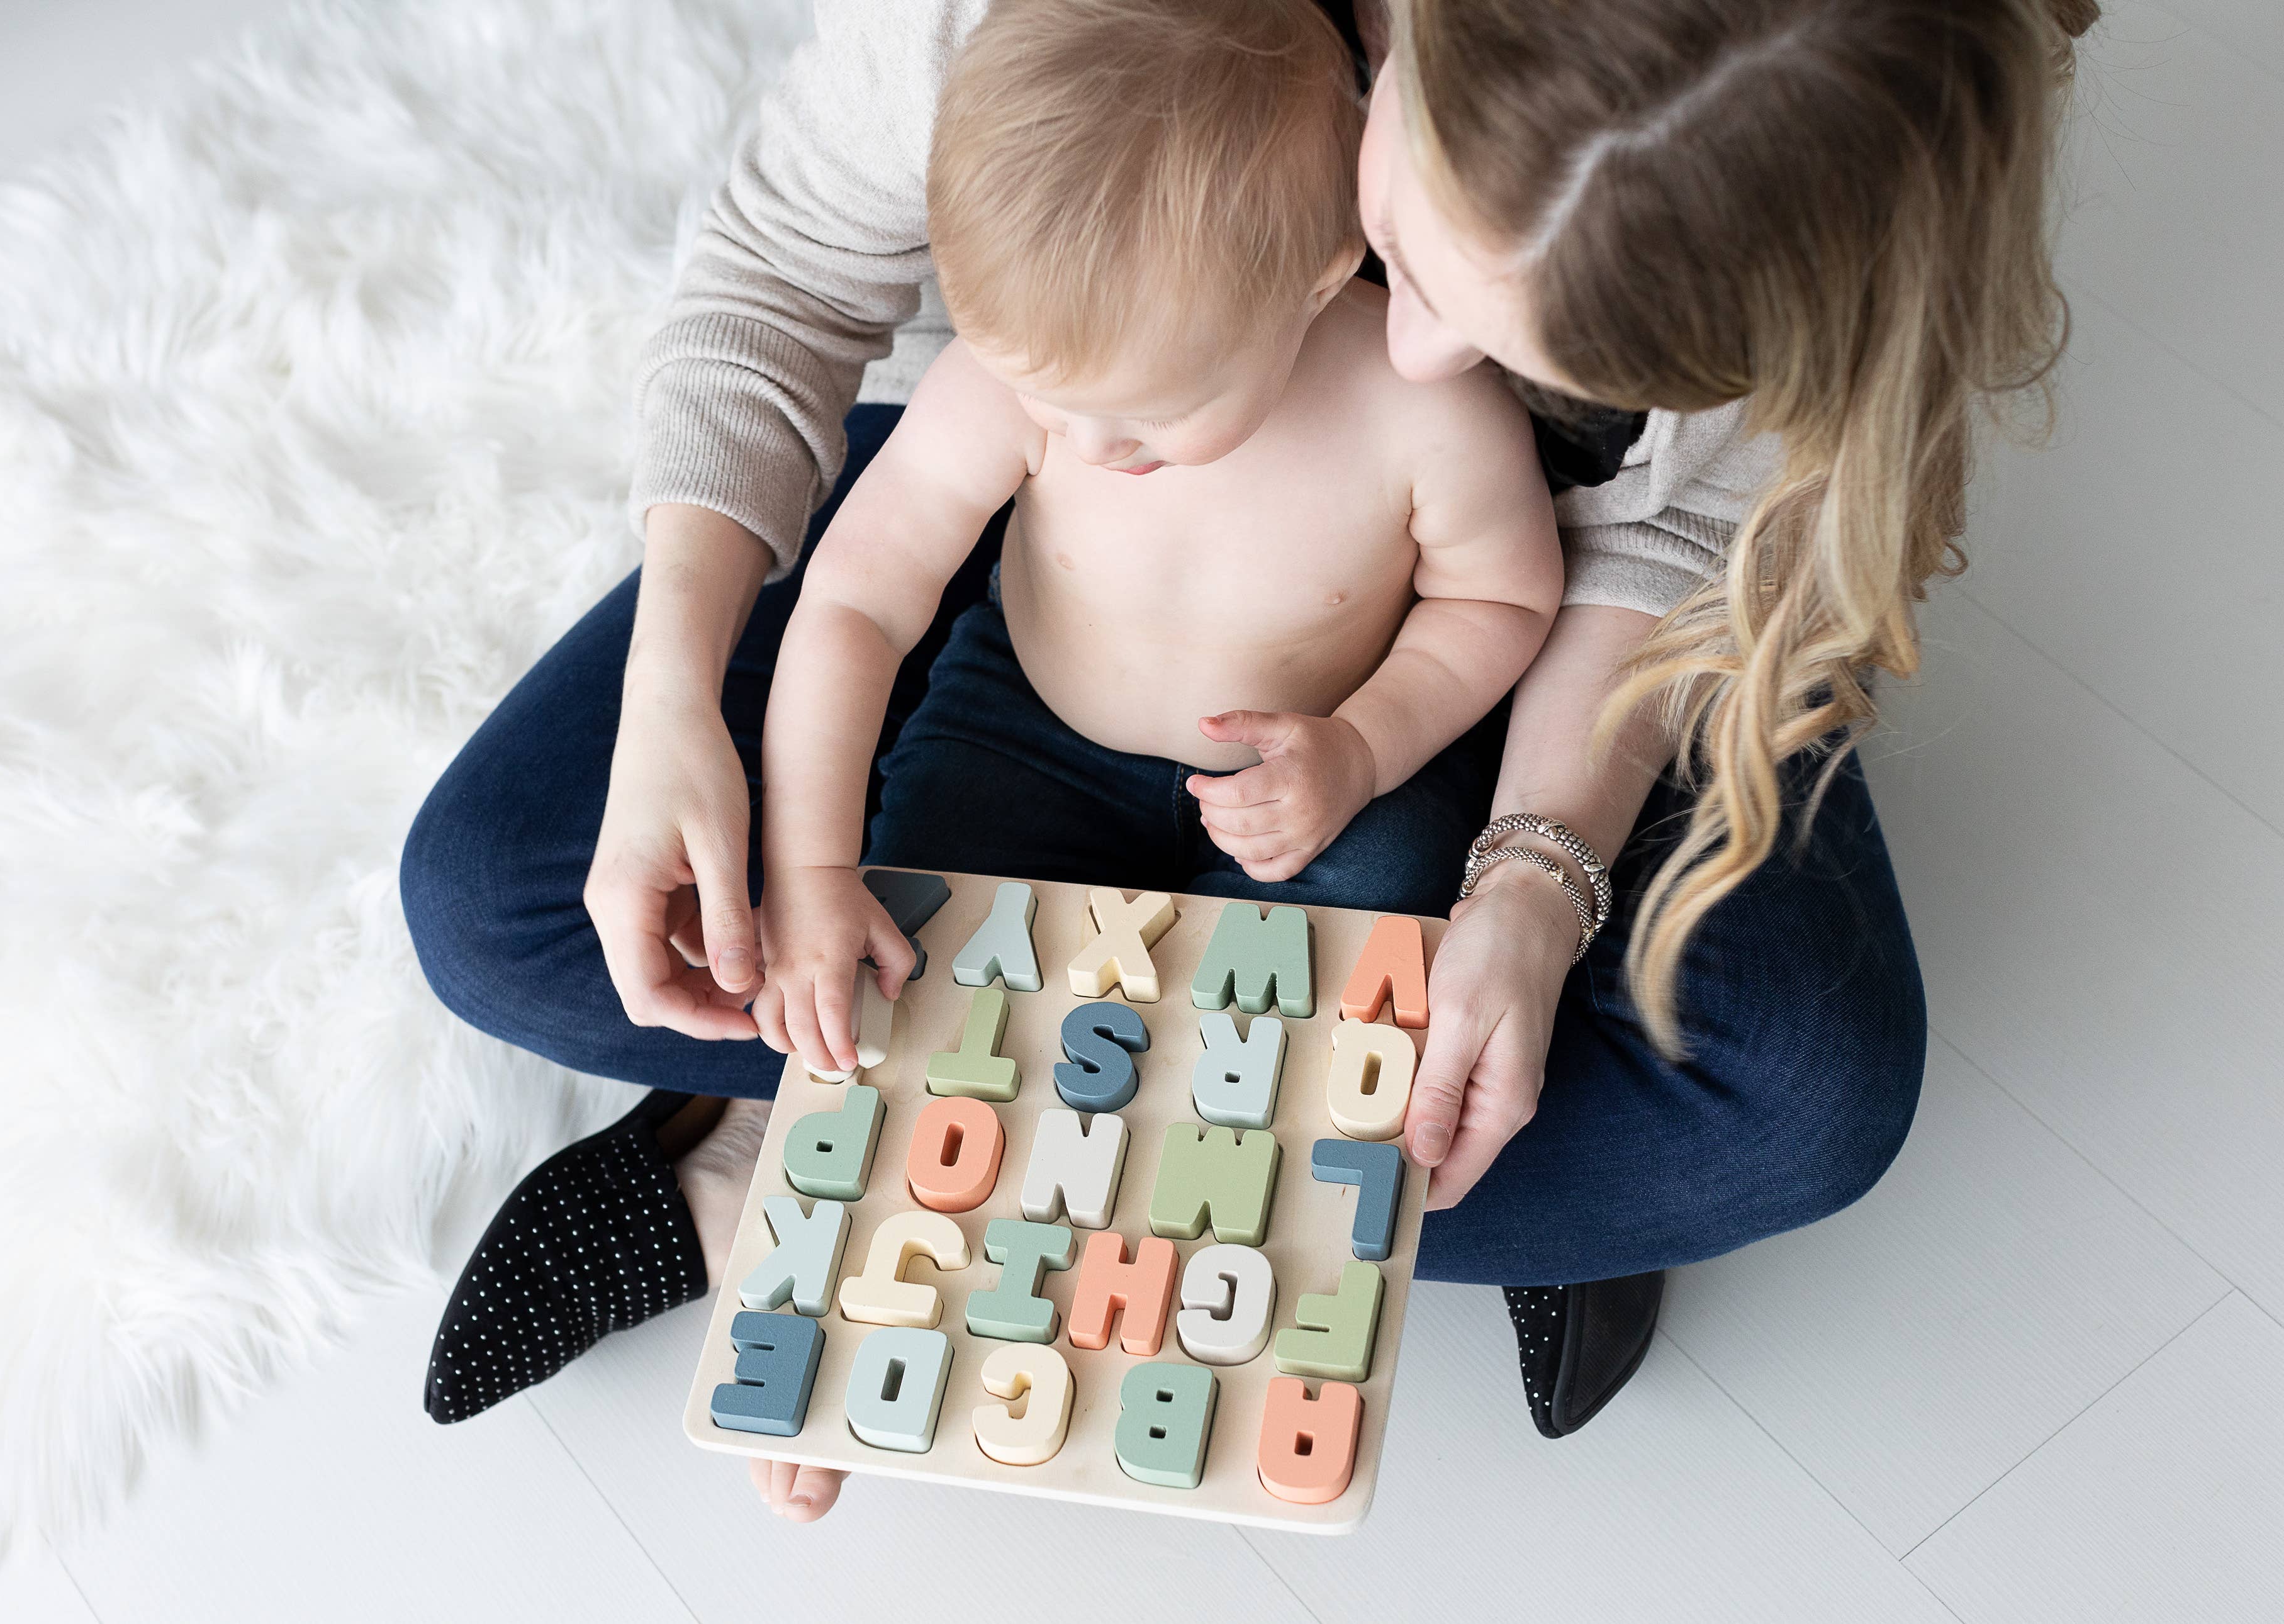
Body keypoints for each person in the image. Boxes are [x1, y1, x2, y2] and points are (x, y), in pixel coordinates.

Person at [398, 0, 2098, 1524]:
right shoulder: (1044, 292)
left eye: (1530, 351)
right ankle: (861, 1179)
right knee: (505, 899)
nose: (1427, 356)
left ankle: (930, 1177)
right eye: (1415, 254)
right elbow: (809, 371)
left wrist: (1530, 872)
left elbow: (1593, 563)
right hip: (1049, 559)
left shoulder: (1512, 366)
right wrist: (683, 712)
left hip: (1414, 697)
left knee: (1785, 1091)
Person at [757, 0, 1559, 1080]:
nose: (1087, 443)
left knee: (1385, 937)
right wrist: (810, 867)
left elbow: (1501, 602)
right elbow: (857, 599)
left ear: (1320, 280)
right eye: (1052, 400)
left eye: (1145, 414)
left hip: (1331, 752)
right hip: (1028, 729)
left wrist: (1366, 746)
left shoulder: (1426, 417)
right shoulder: (1016, 385)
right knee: (910, 943)